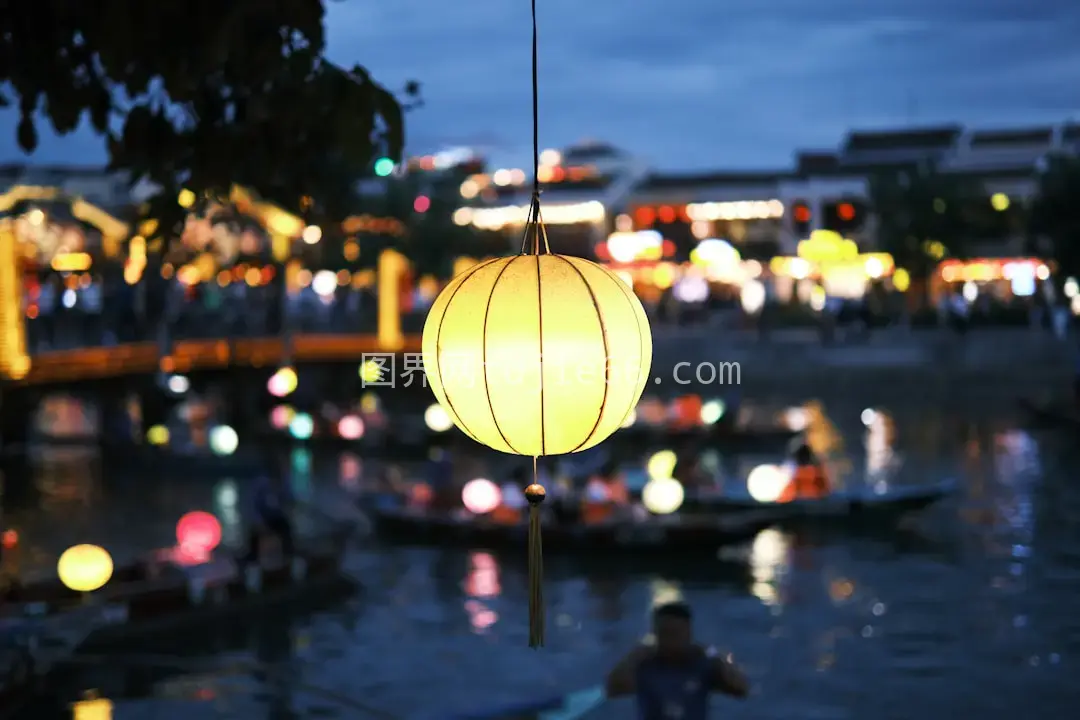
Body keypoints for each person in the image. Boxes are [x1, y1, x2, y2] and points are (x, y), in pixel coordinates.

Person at [605, 602, 749, 718]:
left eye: (674, 634)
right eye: (663, 634)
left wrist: (714, 655)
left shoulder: (703, 664)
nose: (669, 641)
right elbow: (612, 689)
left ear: (688, 633)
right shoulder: (644, 664)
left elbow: (741, 690)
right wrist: (635, 655)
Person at [242, 472, 295, 566]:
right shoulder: (260, 484)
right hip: (263, 518)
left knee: (286, 529)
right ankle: (252, 560)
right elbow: (252, 506)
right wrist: (259, 523)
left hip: (277, 519)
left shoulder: (284, 483)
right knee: (255, 534)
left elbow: (288, 502)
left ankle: (288, 555)